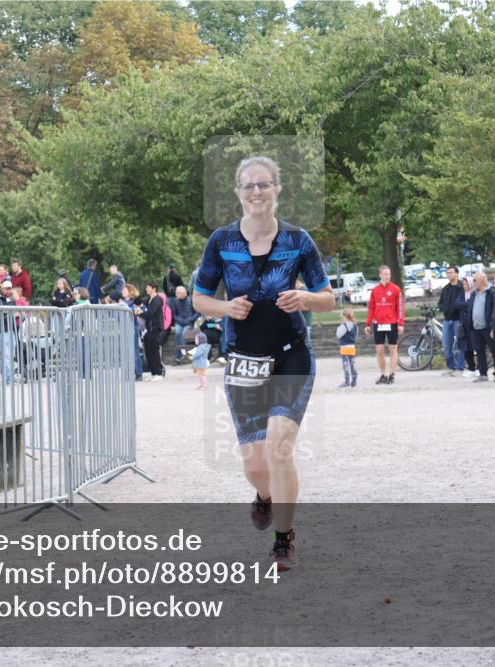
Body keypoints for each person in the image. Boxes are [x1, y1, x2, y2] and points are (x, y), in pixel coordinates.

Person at [192, 155, 334, 571]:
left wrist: (305, 298)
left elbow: (327, 297)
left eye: (264, 184)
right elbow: (200, 296)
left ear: (277, 189)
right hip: (241, 361)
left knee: (279, 445)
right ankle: (266, 496)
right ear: (238, 192)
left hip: (291, 355)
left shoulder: (298, 240)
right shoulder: (221, 241)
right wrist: (224, 307)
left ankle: (284, 538)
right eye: (248, 185)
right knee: (255, 463)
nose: (256, 192)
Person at [364, 265, 404, 384]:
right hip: (378, 323)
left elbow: (400, 307)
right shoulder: (375, 290)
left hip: (392, 323)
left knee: (393, 348)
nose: (387, 276)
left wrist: (400, 323)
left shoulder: (396, 289)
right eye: (385, 274)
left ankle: (392, 374)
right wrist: (367, 324)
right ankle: (383, 374)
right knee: (379, 350)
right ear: (380, 275)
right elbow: (371, 308)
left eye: (389, 274)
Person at [467, 272, 495, 382]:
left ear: (482, 280)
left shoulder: (491, 293)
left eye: (475, 280)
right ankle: (483, 373)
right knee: (479, 351)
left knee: (494, 350)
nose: (473, 282)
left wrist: (492, 325)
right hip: (475, 327)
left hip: (487, 327)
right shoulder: (474, 294)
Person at [438, 266, 465, 375]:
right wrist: (443, 308)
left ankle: (460, 367)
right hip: (447, 320)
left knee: (460, 344)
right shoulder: (445, 289)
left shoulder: (462, 287)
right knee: (446, 344)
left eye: (451, 272)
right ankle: (450, 366)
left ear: (457, 273)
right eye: (447, 273)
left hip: (458, 319)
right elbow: (440, 302)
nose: (449, 275)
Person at [0, 280, 17, 384]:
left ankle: (1, 375)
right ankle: (8, 378)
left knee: (10, 354)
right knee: (5, 355)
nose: (9, 291)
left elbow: (13, 314)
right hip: (1, 331)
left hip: (11, 330)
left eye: (10, 288)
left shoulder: (12, 300)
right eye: (7, 289)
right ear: (2, 289)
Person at [142, 281, 166, 380]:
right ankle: (153, 372)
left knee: (155, 352)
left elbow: (150, 313)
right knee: (148, 351)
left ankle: (159, 373)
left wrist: (140, 313)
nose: (146, 289)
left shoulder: (157, 300)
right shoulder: (149, 299)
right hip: (149, 330)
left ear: (154, 288)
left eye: (148, 287)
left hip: (156, 330)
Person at [121, 284, 144, 380]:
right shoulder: (123, 302)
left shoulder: (134, 302)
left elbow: (137, 311)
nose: (122, 291)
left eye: (124, 290)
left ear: (130, 291)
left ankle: (138, 372)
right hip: (125, 328)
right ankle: (131, 372)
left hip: (132, 327)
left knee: (134, 351)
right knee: (127, 351)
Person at [456, 277, 478, 377]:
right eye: (463, 284)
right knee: (466, 347)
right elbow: (457, 304)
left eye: (466, 284)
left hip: (473, 324)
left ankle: (479, 368)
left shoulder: (475, 293)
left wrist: (466, 304)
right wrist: (466, 304)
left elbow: (472, 305)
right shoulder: (462, 294)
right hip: (463, 324)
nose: (464, 286)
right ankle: (471, 367)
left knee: (475, 346)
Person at [170, 285, 198, 361]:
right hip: (179, 322)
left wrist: (190, 319)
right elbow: (174, 314)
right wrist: (179, 320)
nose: (176, 295)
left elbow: (196, 313)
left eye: (177, 293)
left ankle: (182, 354)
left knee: (184, 334)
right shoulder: (175, 301)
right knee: (178, 333)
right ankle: (180, 355)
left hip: (189, 322)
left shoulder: (191, 300)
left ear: (183, 293)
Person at [337, 307, 359, 388]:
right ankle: (354, 379)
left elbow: (338, 334)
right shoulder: (355, 326)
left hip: (344, 348)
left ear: (345, 316)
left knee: (345, 365)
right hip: (352, 347)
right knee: (352, 364)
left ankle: (347, 381)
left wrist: (340, 326)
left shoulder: (344, 326)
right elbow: (356, 336)